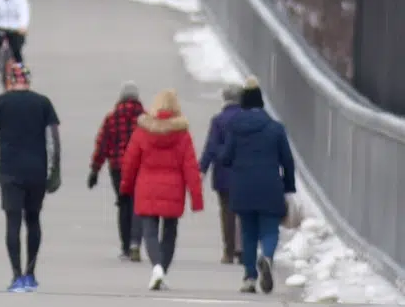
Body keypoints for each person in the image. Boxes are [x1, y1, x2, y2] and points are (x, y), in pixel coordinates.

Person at [0, 63, 62, 293]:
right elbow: (54, 138)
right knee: (33, 220)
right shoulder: (43, 103)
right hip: (37, 171)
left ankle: (16, 275)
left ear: (9, 81)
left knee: (13, 222)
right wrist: (54, 170)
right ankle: (31, 274)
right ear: (28, 80)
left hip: (10, 171)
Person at [120, 89, 204, 291]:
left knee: (149, 231)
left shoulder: (143, 131)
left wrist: (126, 186)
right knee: (170, 232)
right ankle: (162, 270)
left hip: (147, 187)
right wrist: (196, 198)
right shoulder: (182, 134)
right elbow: (191, 167)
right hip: (173, 189)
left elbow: (130, 162)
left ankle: (156, 267)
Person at [221, 77, 297, 294]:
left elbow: (226, 157)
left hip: (243, 188)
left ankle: (249, 278)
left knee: (248, 233)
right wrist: (289, 187)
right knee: (270, 230)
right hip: (270, 187)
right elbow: (287, 161)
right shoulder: (275, 128)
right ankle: (267, 257)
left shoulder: (234, 128)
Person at [88, 82, 146, 261]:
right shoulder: (146, 119)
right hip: (140, 167)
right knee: (138, 205)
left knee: (123, 204)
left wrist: (95, 170)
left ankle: (125, 247)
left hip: (118, 168)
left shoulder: (112, 118)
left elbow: (102, 145)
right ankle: (135, 243)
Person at [198, 84, 244, 264]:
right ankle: (243, 249)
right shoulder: (248, 120)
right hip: (245, 172)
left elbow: (210, 147)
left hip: (223, 173)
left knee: (226, 211)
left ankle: (228, 251)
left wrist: (202, 169)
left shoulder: (218, 121)